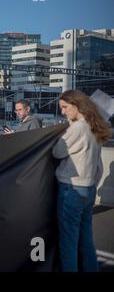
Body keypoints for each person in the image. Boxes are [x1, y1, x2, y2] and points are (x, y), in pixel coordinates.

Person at [52, 90, 111, 272]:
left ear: (77, 105)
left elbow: (57, 152)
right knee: (86, 238)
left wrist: (70, 125)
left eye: (65, 107)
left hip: (72, 189)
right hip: (89, 188)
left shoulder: (77, 128)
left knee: (68, 241)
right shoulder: (95, 125)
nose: (62, 112)